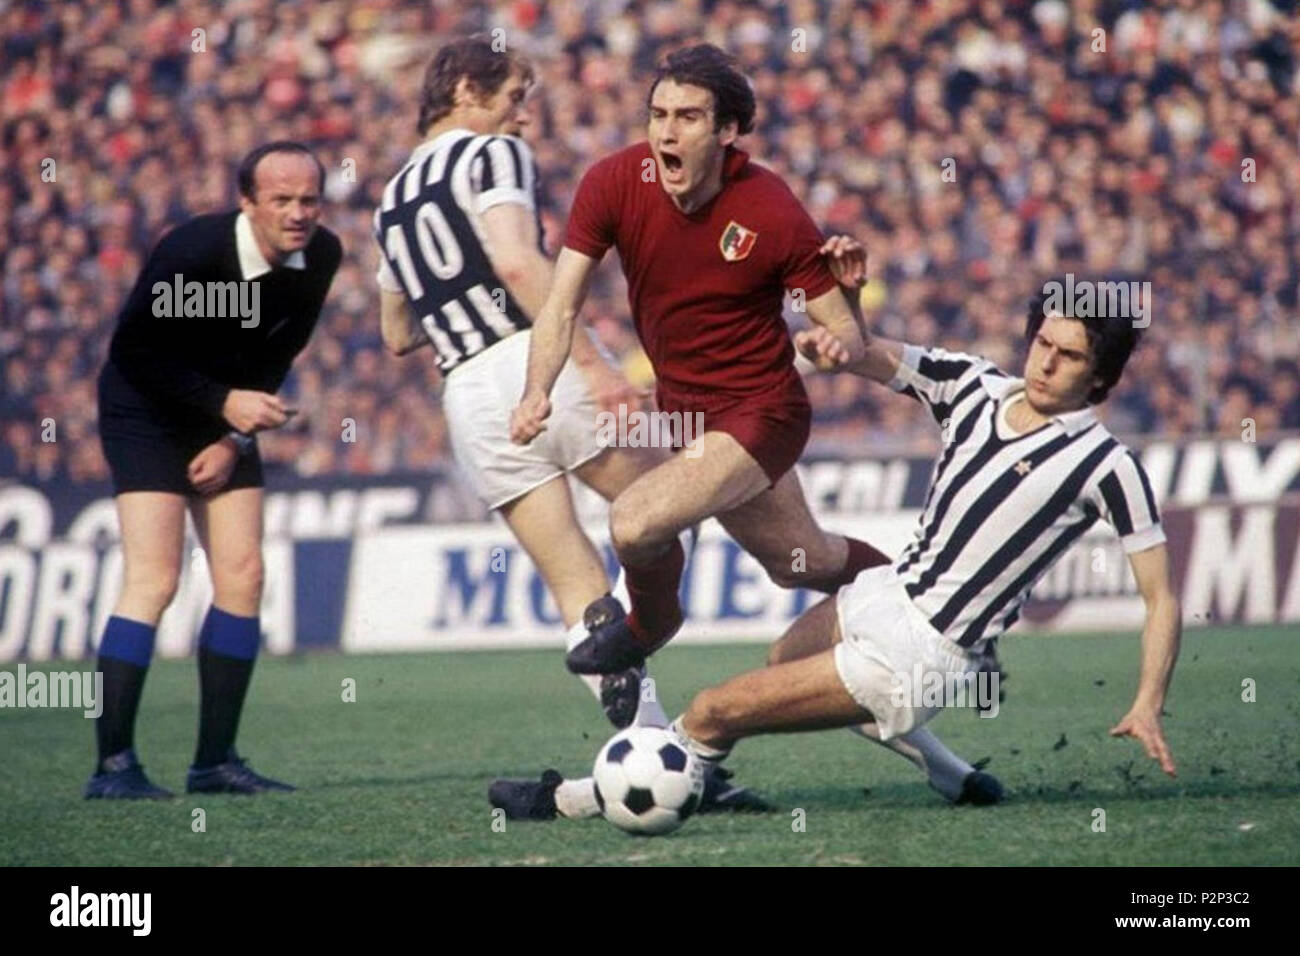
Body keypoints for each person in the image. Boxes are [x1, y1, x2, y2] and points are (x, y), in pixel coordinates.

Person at [492, 284, 1179, 819]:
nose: (1046, 361)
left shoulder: (1105, 465)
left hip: (925, 653)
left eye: (1070, 357)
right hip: (887, 592)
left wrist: (1148, 700)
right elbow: (867, 353)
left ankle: (572, 799)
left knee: (711, 712)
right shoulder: (974, 387)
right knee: (785, 660)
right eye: (1043, 343)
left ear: (1100, 381)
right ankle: (951, 773)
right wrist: (842, 315)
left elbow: (1161, 598)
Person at [510, 45, 896, 678]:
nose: (666, 130)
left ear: (727, 131)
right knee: (803, 559)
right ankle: (926, 604)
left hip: (762, 413)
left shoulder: (770, 209)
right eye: (658, 114)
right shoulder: (612, 183)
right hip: (688, 419)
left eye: (688, 117)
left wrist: (834, 342)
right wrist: (536, 391)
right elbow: (559, 306)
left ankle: (648, 626)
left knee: (632, 522)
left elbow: (845, 335)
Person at [87, 142, 342, 798]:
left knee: (244, 574)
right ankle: (113, 767)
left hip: (224, 415)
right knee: (156, 577)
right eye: (281, 200)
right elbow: (134, 352)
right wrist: (222, 402)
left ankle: (214, 764)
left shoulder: (322, 256)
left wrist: (232, 435)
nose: (298, 213)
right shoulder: (193, 253)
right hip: (144, 409)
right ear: (247, 202)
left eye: (309, 199)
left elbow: (280, 350)